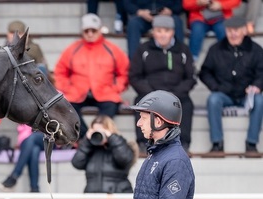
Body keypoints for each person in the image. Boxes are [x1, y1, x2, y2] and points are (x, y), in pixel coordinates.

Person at [53, 13, 129, 137]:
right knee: (67, 109)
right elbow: (60, 72)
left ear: (99, 30)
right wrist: (67, 88)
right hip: (77, 93)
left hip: (105, 92)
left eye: (93, 30)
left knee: (110, 106)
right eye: (86, 31)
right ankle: (85, 138)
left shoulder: (112, 49)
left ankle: (98, 135)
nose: (90, 34)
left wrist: (116, 88)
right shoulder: (72, 49)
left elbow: (124, 72)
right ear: (82, 32)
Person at [128, 15, 196, 154]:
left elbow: (191, 77)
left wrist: (174, 94)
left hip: (176, 94)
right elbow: (134, 76)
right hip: (150, 93)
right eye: (159, 31)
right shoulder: (143, 49)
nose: (163, 35)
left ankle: (183, 143)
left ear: (173, 32)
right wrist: (151, 94)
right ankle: (143, 143)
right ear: (153, 32)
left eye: (166, 30)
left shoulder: (183, 50)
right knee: (140, 103)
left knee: (187, 104)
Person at [199, 15, 263, 154]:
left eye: (237, 30)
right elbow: (205, 72)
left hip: (247, 96)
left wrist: (257, 86)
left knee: (260, 100)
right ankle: (217, 143)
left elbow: (262, 72)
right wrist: (216, 87)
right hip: (224, 94)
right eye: (230, 30)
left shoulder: (256, 50)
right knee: (213, 99)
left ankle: (251, 144)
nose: (233, 34)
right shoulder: (215, 49)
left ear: (244, 30)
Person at [71, 115, 136, 199]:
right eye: (95, 131)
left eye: (101, 131)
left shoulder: (121, 145)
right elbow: (77, 163)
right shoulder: (90, 150)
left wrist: (111, 138)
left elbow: (125, 159)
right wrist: (87, 141)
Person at [0, 125, 44, 193]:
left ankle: (14, 176)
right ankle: (34, 189)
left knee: (32, 137)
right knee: (34, 151)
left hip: (47, 138)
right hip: (29, 143)